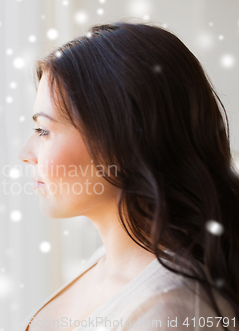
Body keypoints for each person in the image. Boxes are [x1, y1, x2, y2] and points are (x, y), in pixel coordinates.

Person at [18, 21, 239, 331]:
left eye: (44, 130)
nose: (26, 152)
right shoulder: (108, 264)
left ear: (120, 140)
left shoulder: (169, 311)